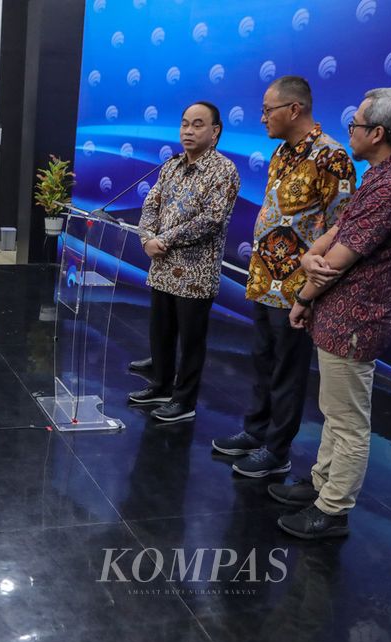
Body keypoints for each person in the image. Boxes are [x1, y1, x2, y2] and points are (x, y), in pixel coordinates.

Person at [272, 88, 391, 540]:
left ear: (377, 133)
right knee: (333, 409)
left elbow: (337, 261)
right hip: (341, 316)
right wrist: (307, 257)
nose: (350, 131)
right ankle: (321, 484)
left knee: (348, 420)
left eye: (356, 124)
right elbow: (338, 230)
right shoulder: (384, 173)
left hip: (356, 321)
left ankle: (333, 509)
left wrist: (302, 298)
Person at [214, 77, 357, 477]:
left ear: (294, 109)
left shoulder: (332, 156)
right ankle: (255, 430)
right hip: (265, 280)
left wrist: (313, 290)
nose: (262, 118)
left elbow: (342, 226)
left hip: (298, 287)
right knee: (262, 361)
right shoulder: (281, 153)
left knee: (288, 372)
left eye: (267, 110)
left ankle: (277, 451)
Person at [127, 101, 240, 422]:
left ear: (215, 131)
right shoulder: (171, 165)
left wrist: (166, 239)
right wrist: (147, 238)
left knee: (191, 341)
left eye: (198, 124)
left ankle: (184, 400)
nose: (188, 131)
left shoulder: (224, 171)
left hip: (195, 273)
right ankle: (161, 385)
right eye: (185, 124)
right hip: (161, 267)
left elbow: (213, 219)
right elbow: (151, 204)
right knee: (160, 332)